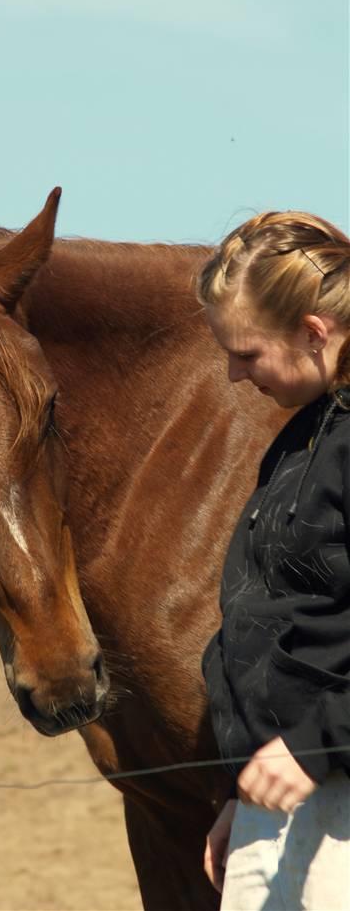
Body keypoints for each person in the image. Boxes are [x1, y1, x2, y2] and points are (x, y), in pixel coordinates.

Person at [195, 209, 350, 911]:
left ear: (313, 334)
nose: (233, 374)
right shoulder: (298, 441)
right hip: (287, 793)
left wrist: (316, 744)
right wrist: (246, 802)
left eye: (247, 354)